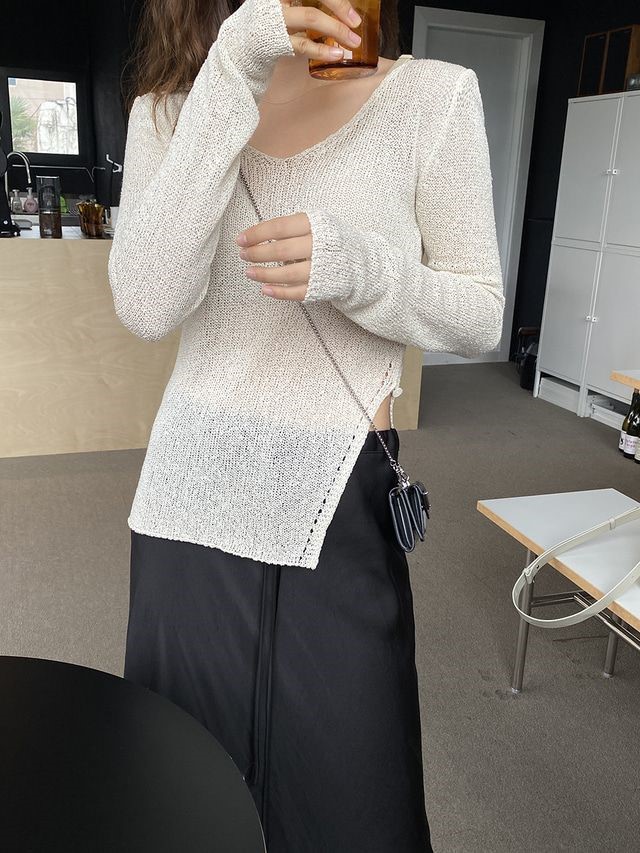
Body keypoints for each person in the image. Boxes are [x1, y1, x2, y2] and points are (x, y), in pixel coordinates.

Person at [108, 0, 505, 847]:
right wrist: (234, 61)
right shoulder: (171, 111)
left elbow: (480, 314)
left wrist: (362, 269)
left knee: (355, 806)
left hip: (338, 499)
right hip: (189, 504)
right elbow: (145, 303)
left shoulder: (432, 97)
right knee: (184, 795)